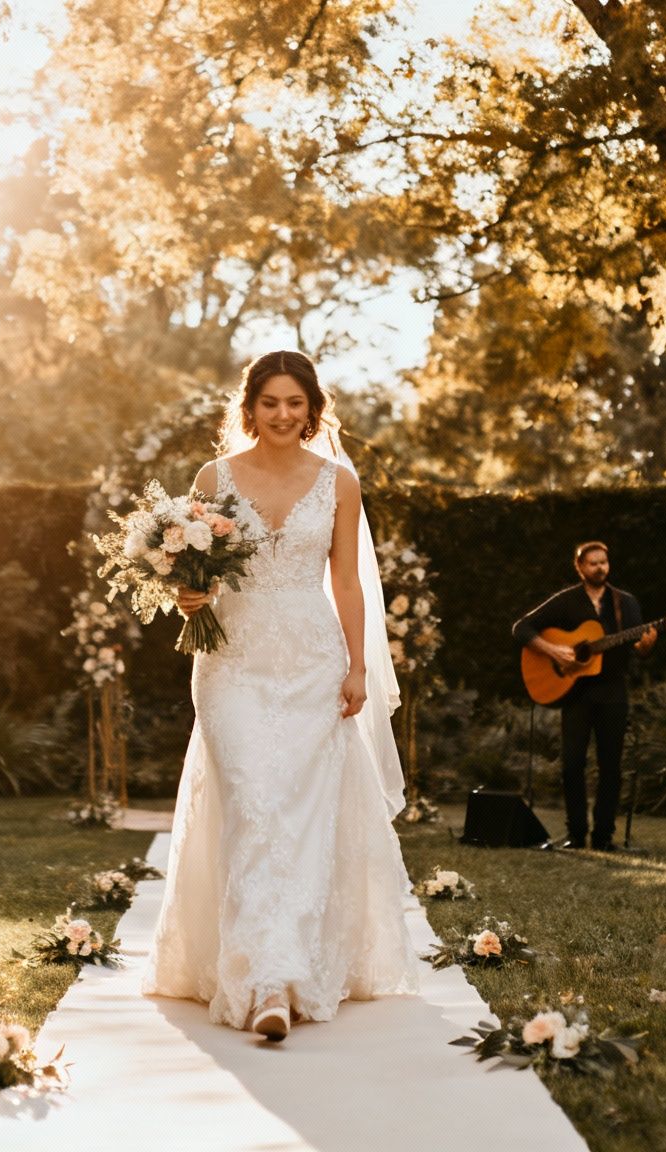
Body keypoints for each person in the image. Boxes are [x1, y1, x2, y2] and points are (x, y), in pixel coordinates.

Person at [142, 350, 417, 1043]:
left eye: (296, 403)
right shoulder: (213, 478)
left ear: (313, 408)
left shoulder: (339, 483)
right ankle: (261, 975)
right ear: (251, 406)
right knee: (252, 805)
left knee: (298, 817)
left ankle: (280, 976)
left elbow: (347, 583)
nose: (285, 415)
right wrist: (188, 596)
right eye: (271, 403)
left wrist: (357, 667)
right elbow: (193, 577)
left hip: (311, 664)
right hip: (231, 664)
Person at [511, 542, 657, 852]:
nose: (600, 568)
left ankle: (603, 837)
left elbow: (638, 649)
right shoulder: (567, 601)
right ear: (580, 567)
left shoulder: (626, 603)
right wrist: (555, 651)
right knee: (572, 765)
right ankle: (576, 834)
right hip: (576, 695)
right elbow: (521, 628)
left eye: (604, 562)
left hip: (613, 693)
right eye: (593, 563)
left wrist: (645, 647)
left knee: (610, 767)